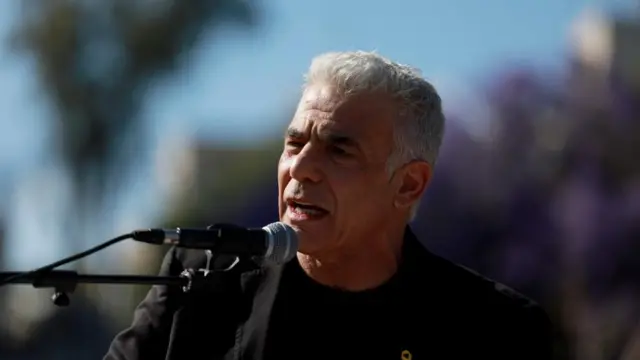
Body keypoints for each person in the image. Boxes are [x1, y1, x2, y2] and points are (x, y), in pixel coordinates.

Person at [104, 51, 554, 360]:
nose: (301, 168)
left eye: (339, 150)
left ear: (409, 185)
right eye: (294, 143)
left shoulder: (498, 330)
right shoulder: (204, 283)